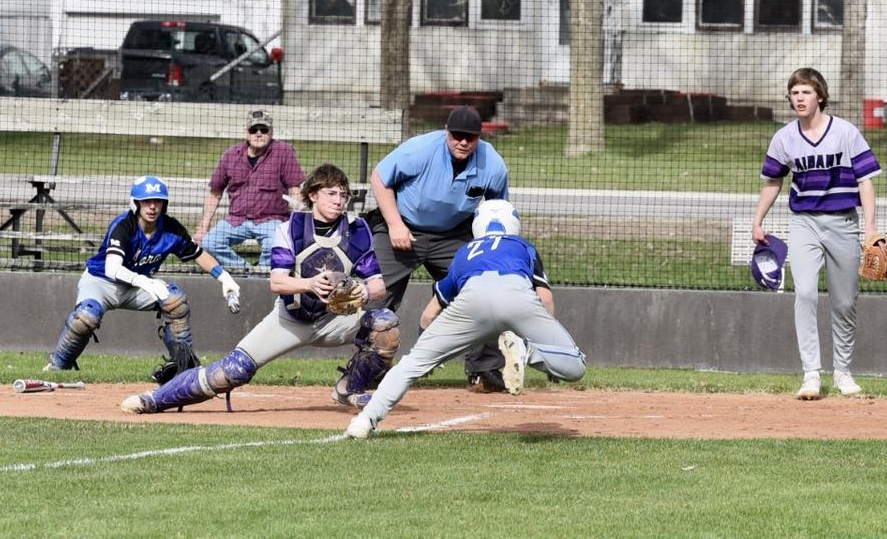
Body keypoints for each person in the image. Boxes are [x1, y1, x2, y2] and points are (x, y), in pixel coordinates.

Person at [121, 164, 401, 414]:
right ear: (313, 195)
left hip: (334, 320)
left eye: (343, 195)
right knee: (232, 371)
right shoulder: (290, 228)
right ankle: (154, 400)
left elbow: (377, 284)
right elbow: (277, 282)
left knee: (385, 324)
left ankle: (349, 388)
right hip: (290, 320)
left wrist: (363, 291)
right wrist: (309, 284)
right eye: (331, 193)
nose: (339, 201)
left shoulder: (358, 229)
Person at [346, 200, 586, 439]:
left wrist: (426, 348)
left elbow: (430, 313)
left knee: (410, 365)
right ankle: (527, 352)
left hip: (471, 300)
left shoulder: (464, 252)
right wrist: (544, 347)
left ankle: (364, 420)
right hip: (516, 294)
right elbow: (545, 299)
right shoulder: (523, 246)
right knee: (575, 367)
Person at [751, 68, 882, 400]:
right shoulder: (784, 138)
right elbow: (773, 181)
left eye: (806, 92)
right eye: (794, 92)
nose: (799, 98)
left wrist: (870, 228)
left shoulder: (845, 132)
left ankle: (843, 373)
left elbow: (865, 180)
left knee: (845, 301)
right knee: (805, 293)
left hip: (843, 223)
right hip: (804, 223)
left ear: (820, 96)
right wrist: (758, 220)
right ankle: (811, 374)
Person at [367, 105, 512, 392]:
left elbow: (499, 209)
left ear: (479, 138)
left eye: (470, 137)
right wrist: (395, 225)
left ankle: (485, 370)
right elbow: (380, 179)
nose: (463, 142)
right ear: (447, 131)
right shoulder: (419, 149)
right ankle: (369, 368)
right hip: (403, 226)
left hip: (454, 233)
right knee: (378, 293)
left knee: (483, 288)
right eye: (457, 135)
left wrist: (492, 251)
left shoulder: (493, 164)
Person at [45, 175, 241, 371]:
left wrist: (224, 277)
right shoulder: (123, 225)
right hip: (101, 282)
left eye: (158, 201)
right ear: (136, 203)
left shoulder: (171, 228)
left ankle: (185, 368)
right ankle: (59, 366)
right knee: (85, 317)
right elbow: (112, 269)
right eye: (147, 201)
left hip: (136, 287)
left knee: (176, 302)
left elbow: (197, 253)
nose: (152, 207)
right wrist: (144, 281)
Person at [194, 109, 306, 271]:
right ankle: (247, 271)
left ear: (271, 132)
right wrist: (203, 227)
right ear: (246, 132)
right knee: (208, 243)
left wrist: (298, 221)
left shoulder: (284, 152)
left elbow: (295, 189)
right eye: (254, 130)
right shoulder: (231, 155)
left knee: (273, 245)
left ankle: (261, 280)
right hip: (236, 220)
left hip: (272, 220)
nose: (258, 134)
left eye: (264, 130)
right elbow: (215, 193)